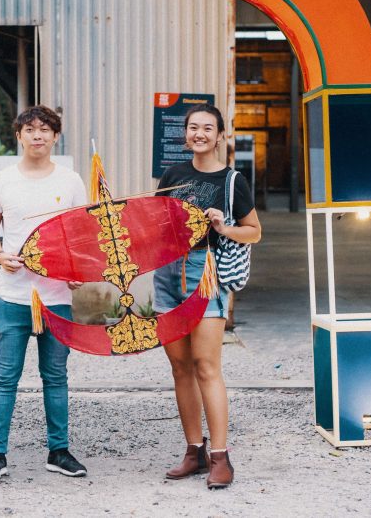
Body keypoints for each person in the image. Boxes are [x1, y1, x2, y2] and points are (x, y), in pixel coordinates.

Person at [0, 105, 89, 482]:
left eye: (45, 129)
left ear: (55, 137)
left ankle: (59, 451)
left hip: (56, 298)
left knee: (55, 376)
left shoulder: (71, 181)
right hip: (13, 296)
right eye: (30, 129)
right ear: (19, 136)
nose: (37, 135)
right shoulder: (1, 181)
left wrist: (76, 272)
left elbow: (80, 236)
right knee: (5, 377)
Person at [153, 103, 261, 490]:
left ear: (219, 136)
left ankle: (220, 456)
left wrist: (224, 226)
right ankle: (193, 451)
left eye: (207, 128)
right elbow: (157, 224)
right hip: (168, 272)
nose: (199, 133)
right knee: (180, 367)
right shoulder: (172, 175)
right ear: (186, 134)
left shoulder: (232, 180)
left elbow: (254, 231)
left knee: (206, 366)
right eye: (193, 127)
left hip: (206, 273)